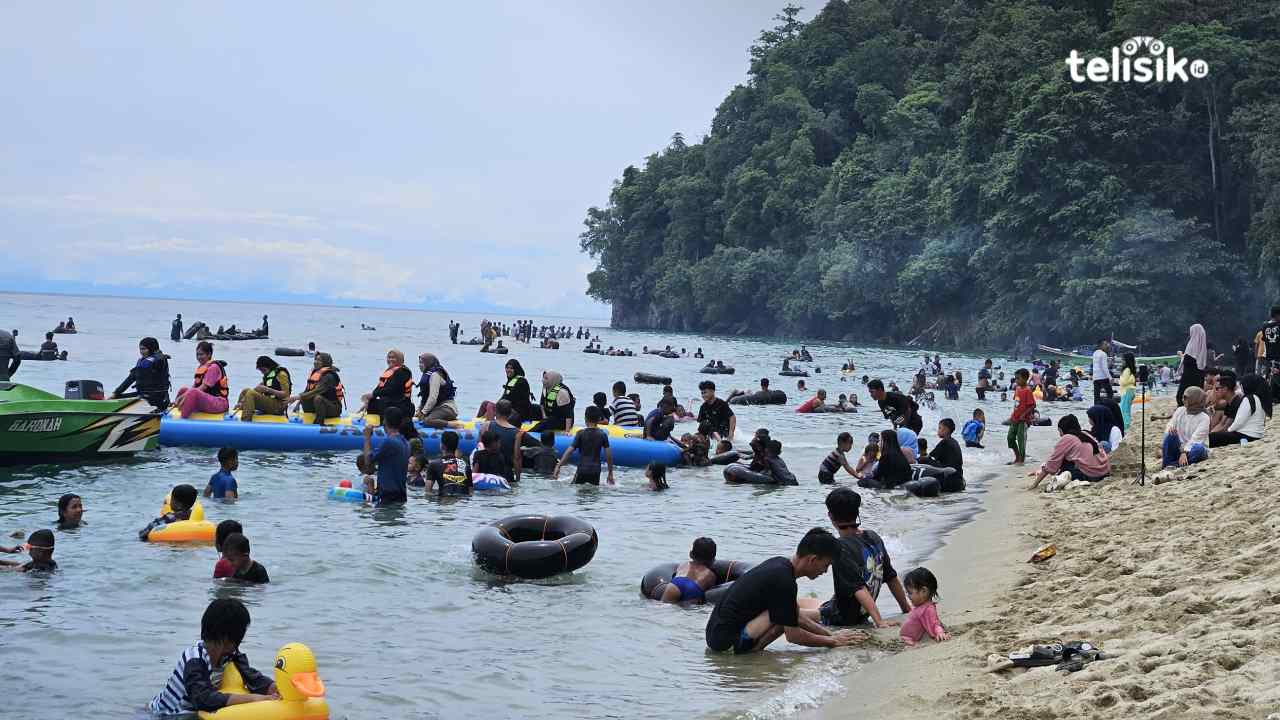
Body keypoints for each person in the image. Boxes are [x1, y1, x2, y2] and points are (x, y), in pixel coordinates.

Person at [705, 528, 861, 653]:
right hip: (726, 644)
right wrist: (833, 642)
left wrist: (830, 634)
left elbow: (796, 616)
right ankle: (752, 652)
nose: (825, 571)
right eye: (825, 565)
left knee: (786, 614)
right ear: (812, 559)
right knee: (783, 618)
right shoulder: (784, 580)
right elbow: (794, 636)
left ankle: (754, 651)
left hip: (716, 636)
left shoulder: (780, 565)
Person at [799, 488, 911, 629]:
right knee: (805, 602)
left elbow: (859, 588)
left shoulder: (838, 548)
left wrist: (879, 622)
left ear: (830, 516)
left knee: (794, 613)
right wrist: (906, 608)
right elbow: (891, 577)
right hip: (860, 613)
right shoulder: (873, 537)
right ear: (857, 513)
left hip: (839, 617)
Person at [147, 598, 278, 714]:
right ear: (227, 639)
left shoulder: (231, 655)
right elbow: (203, 699)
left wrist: (274, 688)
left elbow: (253, 679)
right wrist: (254, 699)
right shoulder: (194, 659)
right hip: (166, 714)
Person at [1028, 415, 1111, 488]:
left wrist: (1035, 484)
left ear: (1063, 429)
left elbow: (1051, 465)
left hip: (1091, 475)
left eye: (1059, 431)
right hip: (1104, 472)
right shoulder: (1086, 434)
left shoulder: (1067, 438)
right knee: (1066, 457)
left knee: (1063, 460)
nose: (1060, 435)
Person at [554, 406, 614, 485]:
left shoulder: (581, 433)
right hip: (595, 471)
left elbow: (569, 451)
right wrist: (610, 473)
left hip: (582, 469)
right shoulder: (602, 435)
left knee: (578, 491)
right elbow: (608, 455)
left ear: (585, 418)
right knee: (593, 495)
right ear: (599, 419)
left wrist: (559, 465)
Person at [361, 406, 408, 504]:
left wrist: (367, 437)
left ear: (385, 421)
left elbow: (367, 461)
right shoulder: (406, 443)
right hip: (401, 495)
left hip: (387, 496)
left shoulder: (389, 442)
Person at [1208, 373, 1269, 446]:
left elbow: (1239, 422)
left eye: (1242, 385)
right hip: (1255, 435)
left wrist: (1227, 431)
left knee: (1213, 438)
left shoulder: (1248, 399)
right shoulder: (1257, 398)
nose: (1241, 387)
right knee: (1213, 436)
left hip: (1247, 436)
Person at [112, 337, 172, 410]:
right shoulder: (144, 362)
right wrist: (116, 393)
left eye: (144, 349)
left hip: (156, 401)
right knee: (116, 398)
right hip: (144, 396)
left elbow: (159, 359)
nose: (141, 352)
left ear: (152, 348)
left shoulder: (159, 360)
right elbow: (130, 379)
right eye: (140, 349)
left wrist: (115, 394)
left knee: (115, 400)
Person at [173, 341, 229, 419]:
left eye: (201, 354)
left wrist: (182, 397)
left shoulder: (213, 368)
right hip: (209, 400)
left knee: (192, 392)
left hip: (220, 403)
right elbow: (194, 387)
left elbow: (202, 388)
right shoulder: (202, 367)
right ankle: (174, 412)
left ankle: (182, 419)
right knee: (184, 390)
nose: (199, 357)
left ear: (209, 354)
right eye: (197, 354)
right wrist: (183, 394)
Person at [285, 353, 344, 424]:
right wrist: (298, 404)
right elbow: (307, 391)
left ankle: (319, 422)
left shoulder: (329, 376)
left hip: (334, 409)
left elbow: (316, 391)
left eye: (319, 360)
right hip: (319, 405)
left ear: (325, 362)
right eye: (315, 359)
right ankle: (309, 419)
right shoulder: (315, 373)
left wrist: (297, 397)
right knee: (307, 398)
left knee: (318, 398)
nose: (315, 362)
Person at [1162, 386, 1211, 468]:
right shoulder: (1180, 410)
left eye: (1186, 398)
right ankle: (1169, 464)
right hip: (1179, 447)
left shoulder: (1204, 418)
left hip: (1192, 449)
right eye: (1183, 397)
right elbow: (1170, 425)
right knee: (1170, 435)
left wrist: (1184, 452)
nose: (1183, 400)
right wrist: (1170, 430)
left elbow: (1196, 439)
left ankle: (1175, 465)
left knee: (1199, 449)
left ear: (1195, 399)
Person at [658, 537, 719, 602]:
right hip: (693, 588)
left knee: (663, 606)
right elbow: (711, 594)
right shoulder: (710, 575)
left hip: (675, 584)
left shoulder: (683, 565)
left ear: (691, 554)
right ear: (713, 559)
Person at [899, 568, 950, 645]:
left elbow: (934, 623)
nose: (908, 596)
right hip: (906, 637)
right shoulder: (921, 606)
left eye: (910, 593)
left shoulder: (928, 609)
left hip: (910, 639)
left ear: (923, 591)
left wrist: (940, 633)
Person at [236, 356, 291, 422]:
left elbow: (286, 394)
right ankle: (238, 409)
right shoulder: (268, 375)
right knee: (245, 391)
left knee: (251, 394)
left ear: (268, 366)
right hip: (270, 403)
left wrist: (268, 390)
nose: (262, 372)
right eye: (261, 371)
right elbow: (256, 389)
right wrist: (242, 401)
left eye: (263, 370)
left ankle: (246, 420)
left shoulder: (281, 374)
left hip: (278, 406)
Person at [361, 349, 414, 418]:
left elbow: (392, 389)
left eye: (393, 358)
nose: (390, 359)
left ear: (400, 359)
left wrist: (373, 394)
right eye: (389, 357)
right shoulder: (389, 372)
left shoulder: (403, 372)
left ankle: (385, 423)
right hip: (390, 402)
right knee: (372, 402)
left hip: (401, 405)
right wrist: (370, 397)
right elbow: (379, 387)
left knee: (381, 402)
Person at [415, 353, 458, 426]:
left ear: (428, 363)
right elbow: (425, 396)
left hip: (446, 408)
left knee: (428, 421)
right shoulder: (427, 373)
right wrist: (419, 410)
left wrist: (423, 412)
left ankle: (453, 425)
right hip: (434, 408)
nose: (420, 365)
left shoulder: (435, 375)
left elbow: (433, 398)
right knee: (416, 417)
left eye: (422, 363)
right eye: (419, 363)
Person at [922, 419, 965, 491]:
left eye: (939, 428)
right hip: (959, 476)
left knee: (924, 460)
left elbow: (928, 457)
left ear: (946, 430)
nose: (938, 430)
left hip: (949, 477)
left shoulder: (944, 442)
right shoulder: (954, 442)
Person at [425, 431, 473, 496]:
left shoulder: (434, 464)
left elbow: (428, 492)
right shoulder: (466, 465)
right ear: (456, 447)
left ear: (442, 445)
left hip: (445, 501)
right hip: (462, 502)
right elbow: (471, 493)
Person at [1007, 369, 1035, 465]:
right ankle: (1017, 455)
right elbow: (1016, 404)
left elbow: (1032, 405)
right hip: (1015, 418)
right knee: (1010, 437)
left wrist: (1024, 414)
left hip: (1023, 420)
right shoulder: (1017, 389)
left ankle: (1021, 459)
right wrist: (1012, 415)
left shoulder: (1028, 390)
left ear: (1025, 379)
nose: (1016, 380)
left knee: (1021, 440)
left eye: (1018, 378)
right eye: (1015, 378)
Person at [1176, 324, 1208, 407]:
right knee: (1196, 399)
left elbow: (1189, 360)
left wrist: (1181, 355)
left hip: (1188, 378)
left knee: (1182, 398)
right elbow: (1198, 362)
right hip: (1198, 378)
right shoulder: (1202, 346)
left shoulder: (1191, 345)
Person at [1117, 353, 1137, 428]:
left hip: (1127, 391)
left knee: (1124, 410)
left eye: (1123, 360)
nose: (1122, 361)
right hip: (1129, 391)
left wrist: (1119, 379)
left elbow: (1123, 382)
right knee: (1126, 409)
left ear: (1126, 361)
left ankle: (1126, 425)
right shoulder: (1130, 370)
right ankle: (1126, 424)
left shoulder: (1127, 370)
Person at [1091, 339, 1113, 404]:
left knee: (1096, 396)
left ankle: (1096, 410)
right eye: (1105, 345)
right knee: (1110, 393)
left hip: (1096, 378)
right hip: (1103, 377)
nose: (1107, 346)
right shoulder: (1103, 354)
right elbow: (1104, 367)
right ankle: (1108, 408)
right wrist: (1110, 377)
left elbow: (1096, 366)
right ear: (1100, 345)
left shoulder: (1094, 353)